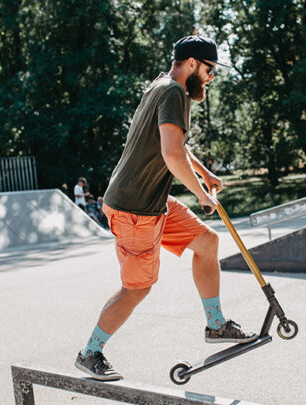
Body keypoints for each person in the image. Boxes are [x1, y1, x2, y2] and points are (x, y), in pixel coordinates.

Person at [75, 35, 257, 381]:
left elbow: (174, 144)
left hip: (153, 201)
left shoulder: (161, 86)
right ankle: (90, 352)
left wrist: (204, 174)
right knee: (137, 288)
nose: (210, 78)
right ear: (191, 63)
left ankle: (216, 324)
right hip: (133, 208)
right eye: (209, 70)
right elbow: (171, 153)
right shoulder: (173, 92)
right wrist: (201, 194)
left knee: (207, 242)